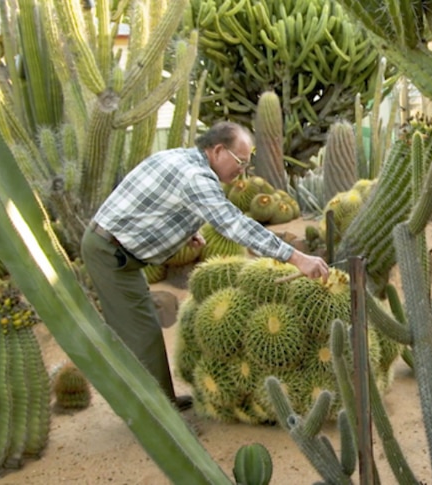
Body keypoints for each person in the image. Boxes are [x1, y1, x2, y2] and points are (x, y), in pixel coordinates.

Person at [80, 121, 329, 411]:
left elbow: (158, 202)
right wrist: (296, 257)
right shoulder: (196, 176)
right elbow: (233, 223)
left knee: (143, 328)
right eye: (241, 162)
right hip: (110, 252)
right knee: (140, 333)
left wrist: (188, 230)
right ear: (218, 151)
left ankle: (163, 403)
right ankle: (158, 420)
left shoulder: (182, 158)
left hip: (113, 246)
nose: (242, 172)